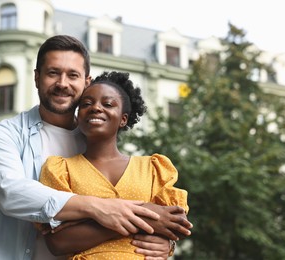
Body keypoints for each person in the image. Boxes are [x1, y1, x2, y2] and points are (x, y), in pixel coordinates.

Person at [0, 35, 192, 260]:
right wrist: (101, 208)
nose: (62, 83)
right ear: (36, 77)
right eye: (53, 73)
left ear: (86, 82)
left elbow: (160, 222)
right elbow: (11, 193)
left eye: (73, 75)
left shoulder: (98, 139)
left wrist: (165, 243)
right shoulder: (5, 134)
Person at [38, 71, 191, 259]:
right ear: (79, 117)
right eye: (86, 104)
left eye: (108, 104)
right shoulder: (60, 170)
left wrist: (169, 244)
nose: (95, 108)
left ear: (123, 119)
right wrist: (142, 217)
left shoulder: (153, 169)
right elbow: (58, 242)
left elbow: (177, 223)